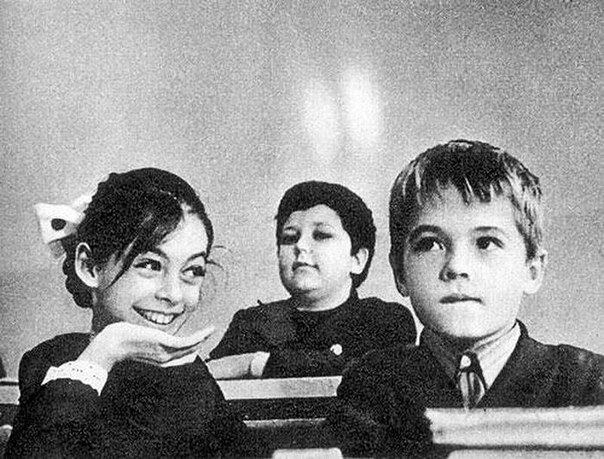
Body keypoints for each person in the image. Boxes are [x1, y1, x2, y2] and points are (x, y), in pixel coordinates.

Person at [328, 140, 604, 456]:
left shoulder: (587, 383)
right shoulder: (372, 386)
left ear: (532, 270)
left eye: (486, 242)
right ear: (400, 273)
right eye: (430, 244)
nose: (456, 267)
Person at [6, 168, 254, 457]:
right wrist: (106, 350)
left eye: (192, 271)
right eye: (150, 265)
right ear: (89, 267)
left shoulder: (189, 375)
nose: (173, 294)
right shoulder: (53, 363)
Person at [207, 181, 416, 379]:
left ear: (357, 259)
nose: (300, 246)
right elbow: (208, 375)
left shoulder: (384, 320)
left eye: (321, 235)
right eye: (290, 238)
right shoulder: (251, 324)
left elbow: (362, 368)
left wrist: (254, 363)